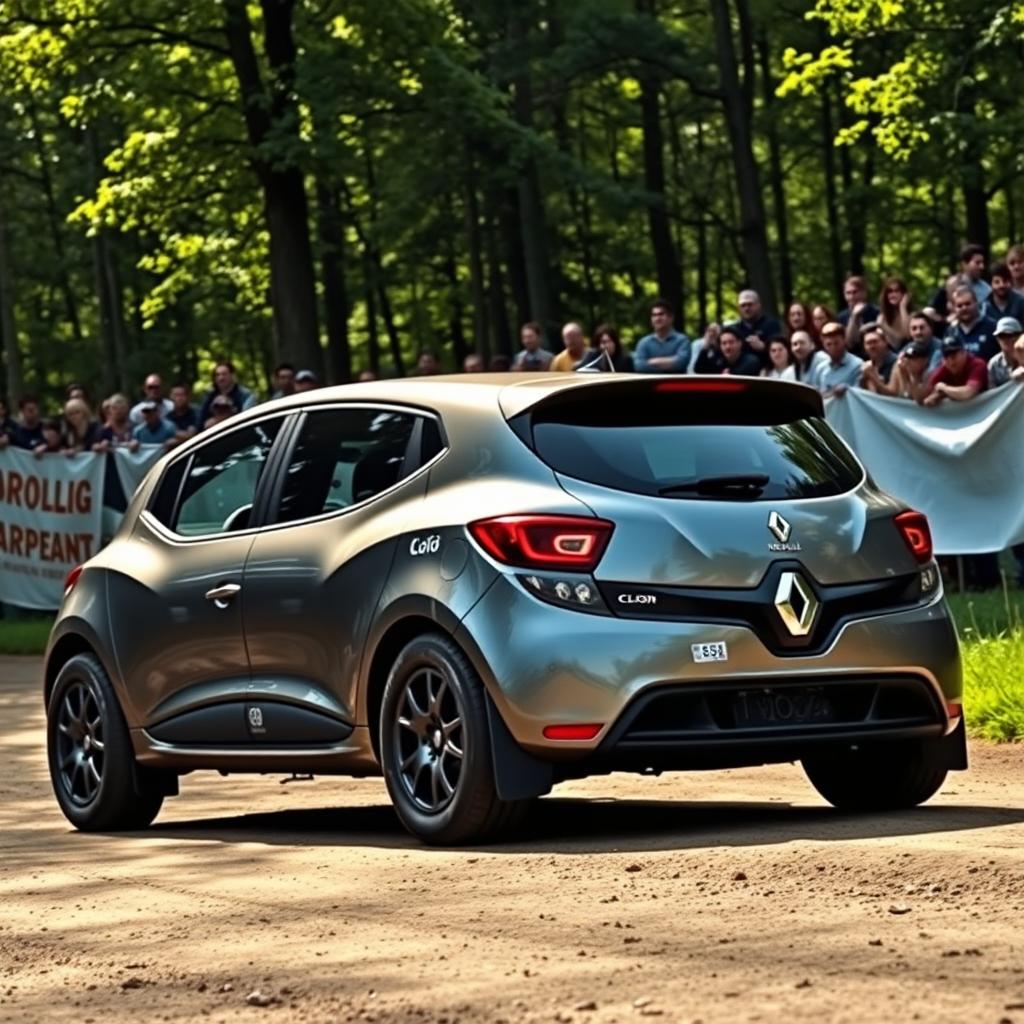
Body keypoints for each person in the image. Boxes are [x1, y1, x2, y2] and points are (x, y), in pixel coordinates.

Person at [921, 337, 988, 406]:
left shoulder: (977, 365)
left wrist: (944, 388)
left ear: (963, 353)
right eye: (946, 357)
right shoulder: (944, 367)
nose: (951, 362)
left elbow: (968, 393)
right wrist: (938, 395)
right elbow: (925, 396)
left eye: (953, 356)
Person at [634, 300, 691, 373]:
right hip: (650, 384)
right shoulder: (644, 342)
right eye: (654, 315)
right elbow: (639, 366)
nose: (657, 318)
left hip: (675, 383)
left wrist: (652, 362)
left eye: (661, 314)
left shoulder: (682, 340)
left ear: (671, 318)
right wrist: (671, 362)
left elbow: (681, 363)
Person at [945, 286, 998, 361]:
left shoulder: (993, 327)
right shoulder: (951, 331)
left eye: (967, 304)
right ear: (954, 308)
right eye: (959, 306)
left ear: (976, 303)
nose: (964, 308)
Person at [731, 290, 782, 361]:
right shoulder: (734, 329)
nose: (746, 308)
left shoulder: (771, 325)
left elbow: (781, 352)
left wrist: (764, 347)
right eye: (743, 305)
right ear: (738, 308)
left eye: (750, 304)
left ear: (759, 305)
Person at [818, 322, 864, 396]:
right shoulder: (821, 368)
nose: (833, 347)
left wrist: (847, 389)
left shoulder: (858, 365)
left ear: (844, 341)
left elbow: (861, 393)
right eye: (828, 344)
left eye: (836, 343)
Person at [838, 276, 880, 348]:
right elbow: (849, 344)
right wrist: (854, 316)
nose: (851, 297)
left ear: (864, 293)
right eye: (848, 293)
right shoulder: (841, 317)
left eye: (855, 292)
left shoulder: (876, 312)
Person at [877, 277, 913, 349]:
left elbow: (908, 336)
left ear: (904, 294)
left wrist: (902, 307)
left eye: (897, 291)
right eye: (890, 291)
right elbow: (893, 344)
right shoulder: (883, 316)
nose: (893, 295)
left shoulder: (912, 314)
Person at [859, 326, 898, 392]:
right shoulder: (867, 366)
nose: (872, 346)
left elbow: (893, 395)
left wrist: (873, 376)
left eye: (875, 342)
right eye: (868, 343)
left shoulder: (896, 363)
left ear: (885, 342)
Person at [988, 317, 1022, 389]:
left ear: (1020, 336)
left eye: (1010, 335)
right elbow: (992, 392)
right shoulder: (994, 364)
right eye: (1002, 336)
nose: (1006, 339)